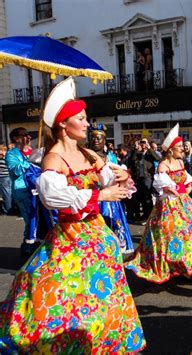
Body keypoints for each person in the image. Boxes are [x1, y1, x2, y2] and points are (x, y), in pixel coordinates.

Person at [0, 77, 145, 352]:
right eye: (81, 118)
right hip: (71, 235)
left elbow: (113, 181)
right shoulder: (54, 158)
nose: (88, 124)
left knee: (101, 293)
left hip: (98, 233)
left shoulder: (88, 153)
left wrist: (122, 176)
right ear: (64, 125)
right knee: (60, 290)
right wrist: (99, 195)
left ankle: (101, 340)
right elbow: (51, 197)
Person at [126, 124, 192, 283]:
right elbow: (164, 187)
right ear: (171, 149)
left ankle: (188, 264)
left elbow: (187, 181)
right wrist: (175, 189)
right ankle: (170, 265)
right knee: (169, 234)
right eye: (179, 146)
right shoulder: (163, 165)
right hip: (169, 205)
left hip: (184, 203)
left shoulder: (180, 163)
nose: (183, 149)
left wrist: (186, 188)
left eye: (182, 146)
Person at [89, 123, 135, 254]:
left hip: (112, 199)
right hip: (96, 197)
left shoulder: (110, 157)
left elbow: (118, 173)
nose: (95, 140)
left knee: (115, 225)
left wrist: (124, 176)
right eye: (93, 138)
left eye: (99, 138)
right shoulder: (87, 156)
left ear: (104, 140)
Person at [5, 127, 34, 256]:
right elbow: (16, 171)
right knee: (30, 220)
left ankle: (33, 244)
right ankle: (27, 247)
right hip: (22, 191)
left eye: (28, 135)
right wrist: (30, 161)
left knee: (36, 220)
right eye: (24, 135)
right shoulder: (11, 154)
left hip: (35, 190)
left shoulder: (33, 151)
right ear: (17, 139)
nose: (28, 137)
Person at [129, 137, 161, 222]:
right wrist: (135, 150)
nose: (143, 144)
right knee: (139, 198)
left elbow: (158, 158)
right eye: (141, 143)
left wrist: (149, 148)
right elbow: (131, 161)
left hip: (148, 178)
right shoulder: (138, 154)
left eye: (145, 142)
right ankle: (143, 216)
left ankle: (149, 216)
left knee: (147, 198)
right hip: (138, 178)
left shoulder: (150, 154)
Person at [0, 144, 12, 214]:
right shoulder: (7, 157)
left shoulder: (3, 158)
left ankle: (8, 209)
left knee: (6, 194)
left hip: (3, 177)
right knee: (9, 193)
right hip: (8, 176)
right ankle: (10, 208)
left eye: (3, 150)